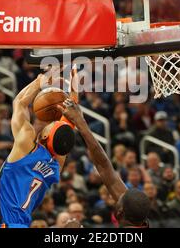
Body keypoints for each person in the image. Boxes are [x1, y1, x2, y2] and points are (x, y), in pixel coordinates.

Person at [0, 67, 76, 228]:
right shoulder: (56, 166)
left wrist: (39, 82)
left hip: (6, 224)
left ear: (44, 137)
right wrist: (73, 95)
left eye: (51, 125)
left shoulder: (26, 145)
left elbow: (19, 103)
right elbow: (68, 126)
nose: (51, 123)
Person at [59, 93, 151, 228]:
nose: (116, 195)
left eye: (120, 198)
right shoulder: (138, 219)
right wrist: (81, 122)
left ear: (120, 212)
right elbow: (104, 166)